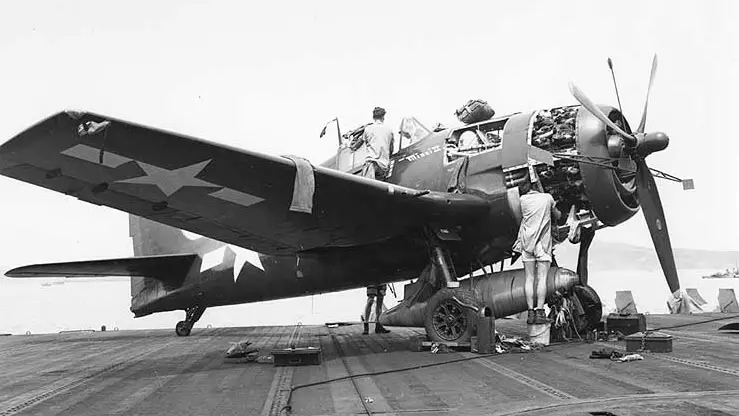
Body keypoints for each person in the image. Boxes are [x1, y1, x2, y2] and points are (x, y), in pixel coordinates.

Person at [514, 178, 562, 325]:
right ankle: (540, 312)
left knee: (529, 279)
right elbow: (558, 216)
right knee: (542, 279)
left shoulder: (522, 200)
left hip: (527, 243)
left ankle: (530, 313)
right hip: (542, 244)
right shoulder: (547, 198)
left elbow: (518, 216)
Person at [357, 107, 394, 180]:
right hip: (383, 167)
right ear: (383, 117)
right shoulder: (389, 130)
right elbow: (391, 150)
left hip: (372, 165)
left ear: (373, 117)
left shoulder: (368, 129)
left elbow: (356, 146)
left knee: (367, 188)